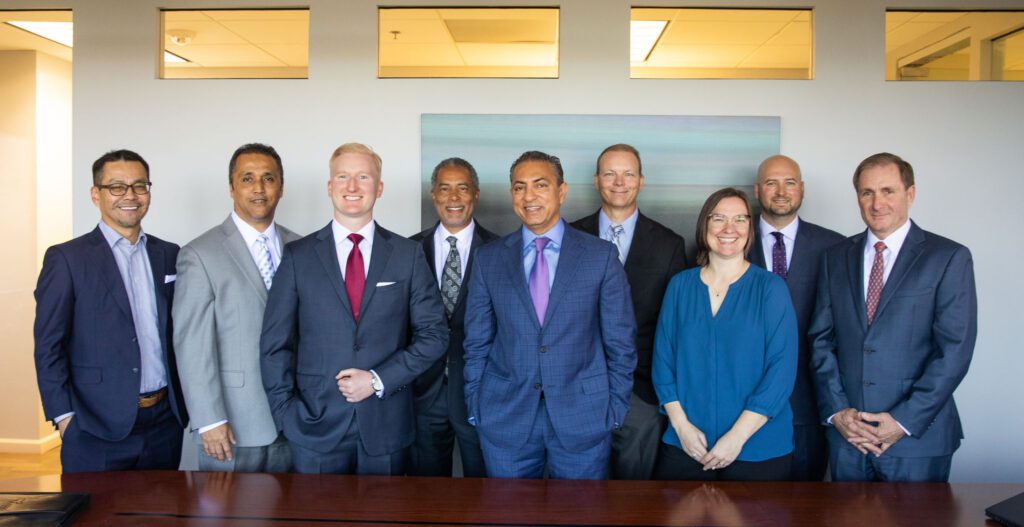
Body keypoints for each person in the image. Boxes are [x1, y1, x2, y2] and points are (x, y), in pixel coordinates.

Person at [260, 143, 447, 475]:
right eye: (342, 177)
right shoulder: (298, 257)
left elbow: (434, 336)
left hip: (387, 424)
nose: (352, 186)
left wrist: (377, 380)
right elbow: (276, 345)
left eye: (363, 177)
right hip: (313, 426)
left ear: (379, 188)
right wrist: (285, 414)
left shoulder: (408, 255)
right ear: (330, 187)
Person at [463, 150, 636, 480]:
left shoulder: (600, 256)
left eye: (540, 185)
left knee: (579, 517)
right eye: (519, 187)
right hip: (505, 417)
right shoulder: (489, 259)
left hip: (584, 417)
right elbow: (477, 343)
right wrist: (477, 406)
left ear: (562, 191)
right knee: (507, 517)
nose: (529, 196)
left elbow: (621, 343)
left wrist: (614, 410)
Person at [810, 152, 976, 482]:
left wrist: (902, 421)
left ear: (910, 194)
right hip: (849, 438)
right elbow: (820, 340)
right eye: (867, 192)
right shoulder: (835, 257)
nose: (877, 203)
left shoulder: (948, 257)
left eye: (888, 191)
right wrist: (839, 412)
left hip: (917, 439)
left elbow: (954, 351)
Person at [34, 149, 188, 473]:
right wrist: (65, 420)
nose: (130, 196)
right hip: (94, 426)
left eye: (139, 186)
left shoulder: (169, 254)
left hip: (163, 422)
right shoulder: (67, 259)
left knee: (160, 519)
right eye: (116, 187)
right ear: (96, 194)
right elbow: (48, 346)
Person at [652, 187, 797, 481]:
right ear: (704, 225)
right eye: (718, 218)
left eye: (740, 219)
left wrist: (737, 437)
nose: (729, 229)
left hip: (758, 448)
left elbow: (781, 372)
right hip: (687, 445)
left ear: (750, 229)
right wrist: (681, 427)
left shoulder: (770, 289)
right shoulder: (680, 286)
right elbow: (663, 363)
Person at [174, 143, 300, 472]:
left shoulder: (302, 248)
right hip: (231, 423)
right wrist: (209, 418)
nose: (258, 188)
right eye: (247, 179)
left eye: (268, 178)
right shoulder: (200, 254)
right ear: (232, 187)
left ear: (281, 187)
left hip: (296, 418)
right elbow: (192, 346)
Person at [571, 144, 688, 480]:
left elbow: (674, 326)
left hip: (642, 391)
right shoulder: (568, 236)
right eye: (610, 173)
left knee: (634, 498)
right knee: (577, 494)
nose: (619, 182)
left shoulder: (669, 244)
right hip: (576, 386)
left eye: (628, 173)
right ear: (596, 180)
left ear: (641, 181)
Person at [750, 155, 844, 481]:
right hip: (743, 401)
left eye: (789, 182)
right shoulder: (728, 239)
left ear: (801, 189)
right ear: (757, 189)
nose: (781, 191)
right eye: (772, 183)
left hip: (810, 403)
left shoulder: (836, 247)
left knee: (807, 504)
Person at [408, 158, 498, 478]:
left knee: (484, 491)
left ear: (475, 194)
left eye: (462, 188)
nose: (453, 197)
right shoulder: (407, 251)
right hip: (423, 394)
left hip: (481, 393)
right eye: (445, 188)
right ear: (434, 195)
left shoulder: (501, 251)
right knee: (427, 495)